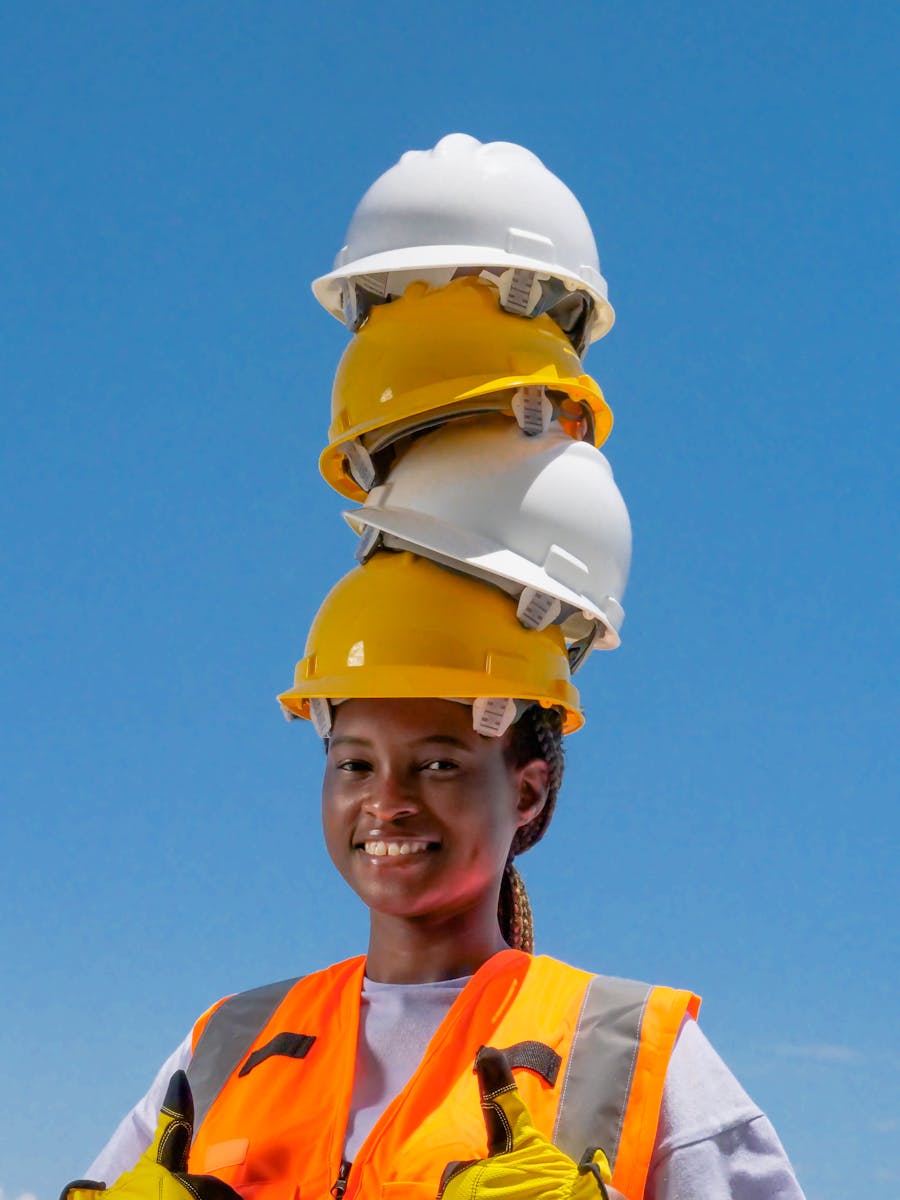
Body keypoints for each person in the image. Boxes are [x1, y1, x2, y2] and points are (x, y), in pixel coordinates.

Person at [77, 554, 807, 1199]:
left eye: (438, 764)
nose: (386, 802)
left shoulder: (628, 1053)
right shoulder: (225, 1047)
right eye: (354, 764)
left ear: (527, 793)